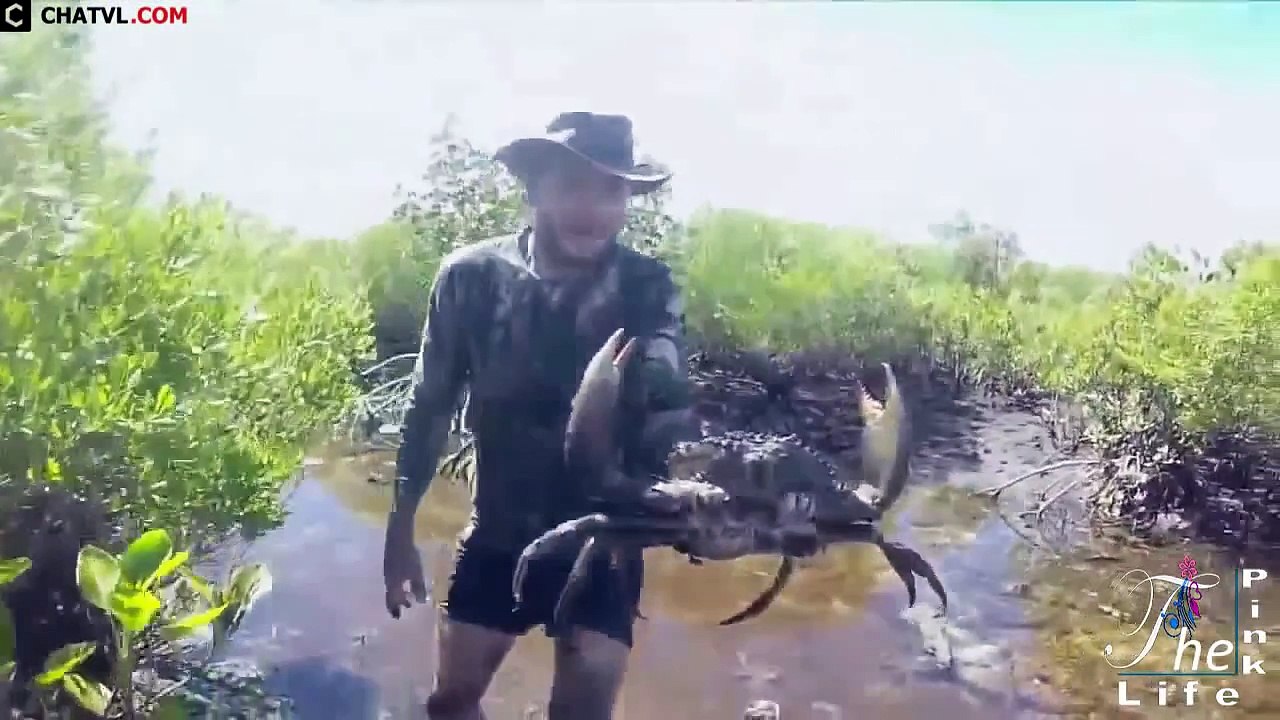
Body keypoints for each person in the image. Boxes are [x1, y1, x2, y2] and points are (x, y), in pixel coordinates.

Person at [382, 112, 697, 720]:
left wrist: (699, 504)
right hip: (498, 532)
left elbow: (669, 406)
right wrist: (400, 530)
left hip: (602, 541)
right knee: (450, 704)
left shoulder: (646, 287)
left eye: (612, 190)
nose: (594, 206)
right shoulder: (471, 278)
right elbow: (429, 405)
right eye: (573, 185)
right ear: (533, 189)